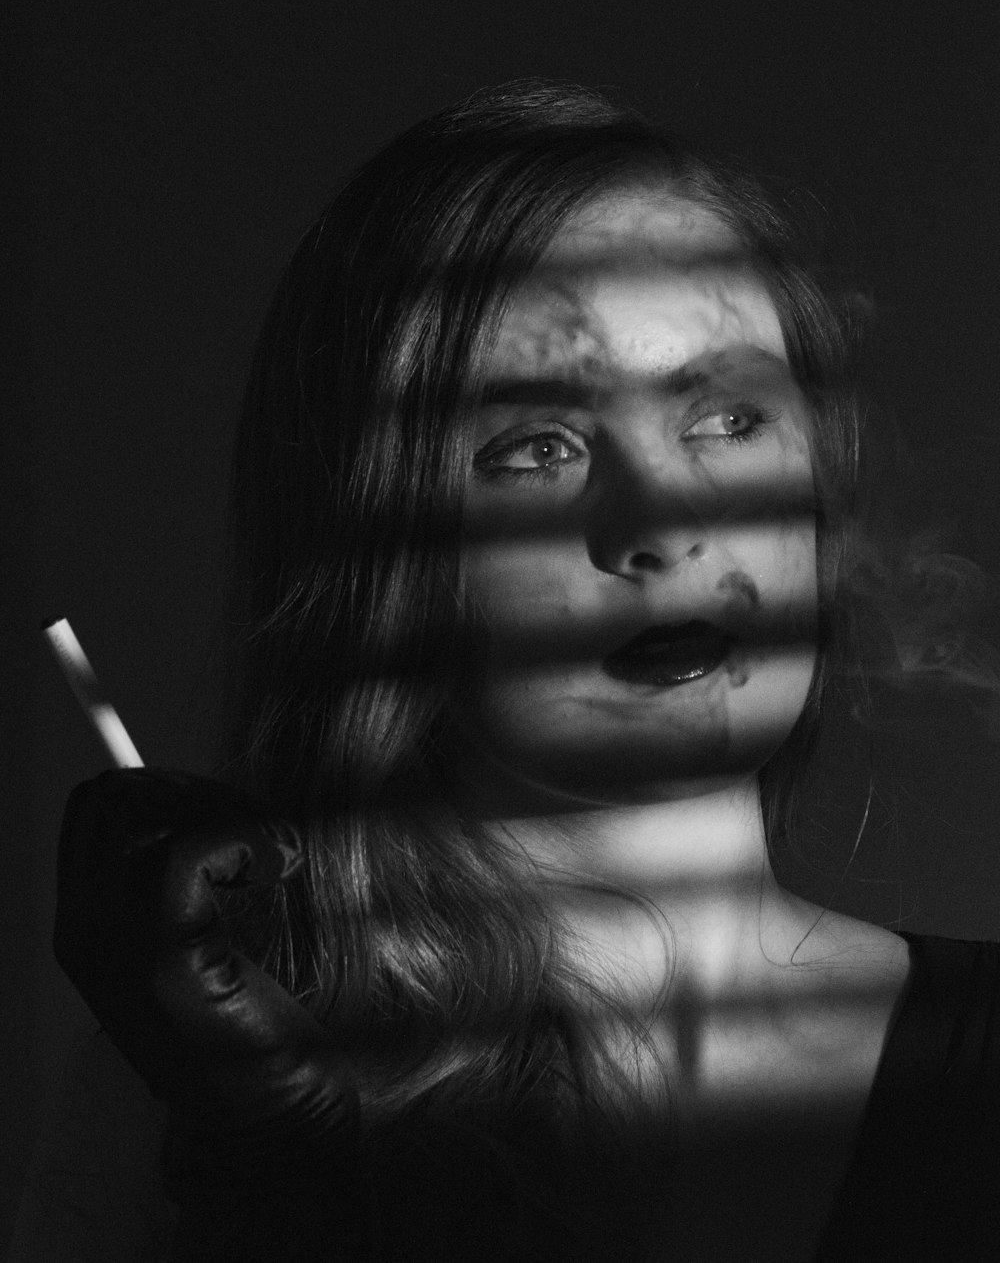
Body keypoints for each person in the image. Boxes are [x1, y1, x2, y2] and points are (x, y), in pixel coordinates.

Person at [13, 81, 1000, 1261]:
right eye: (537, 447)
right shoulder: (209, 1082)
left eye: (728, 418)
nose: (666, 520)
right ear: (372, 541)